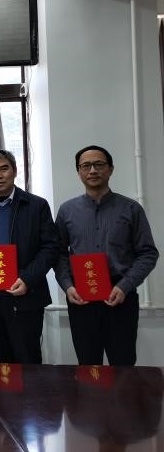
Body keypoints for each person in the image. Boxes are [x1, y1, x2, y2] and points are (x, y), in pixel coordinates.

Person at [54, 145, 159, 366]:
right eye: (86, 166)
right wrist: (67, 285)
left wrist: (125, 286)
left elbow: (148, 253)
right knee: (88, 365)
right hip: (81, 299)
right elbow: (59, 253)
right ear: (79, 172)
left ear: (110, 169)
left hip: (120, 297)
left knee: (123, 365)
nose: (92, 170)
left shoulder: (131, 209)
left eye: (99, 164)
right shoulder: (66, 211)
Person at [0, 148, 59, 364]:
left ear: (14, 171)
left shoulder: (37, 206)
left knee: (27, 362)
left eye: (4, 169)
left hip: (25, 297)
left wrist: (27, 278)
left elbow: (50, 247)